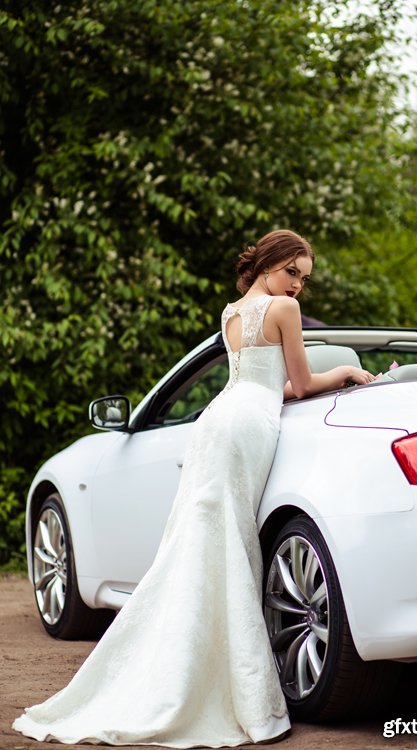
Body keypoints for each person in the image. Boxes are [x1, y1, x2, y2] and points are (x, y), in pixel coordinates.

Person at [13, 229, 375, 748]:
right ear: (270, 263)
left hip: (217, 422)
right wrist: (344, 370)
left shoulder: (231, 312)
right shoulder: (284, 312)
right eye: (292, 272)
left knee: (200, 539)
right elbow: (299, 386)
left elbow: (251, 376)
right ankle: (221, 675)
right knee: (227, 538)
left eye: (304, 278)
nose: (297, 286)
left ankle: (180, 668)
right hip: (249, 423)